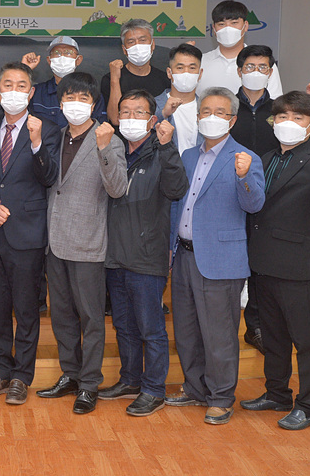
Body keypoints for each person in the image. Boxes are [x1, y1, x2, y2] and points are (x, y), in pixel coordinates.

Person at [242, 91, 310, 431]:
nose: (289, 123)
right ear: (273, 121)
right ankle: (277, 394)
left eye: (298, 118)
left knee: (306, 341)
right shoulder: (265, 158)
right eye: (283, 117)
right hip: (262, 262)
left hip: (298, 267)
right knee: (273, 337)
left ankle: (309, 405)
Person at [165, 87, 265, 426]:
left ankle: (221, 397)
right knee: (187, 330)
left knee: (219, 335)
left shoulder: (246, 158)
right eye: (206, 111)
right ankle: (195, 388)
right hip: (183, 256)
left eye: (220, 112)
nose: (212, 117)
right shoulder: (188, 156)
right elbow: (178, 203)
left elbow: (254, 204)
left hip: (221, 260)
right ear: (197, 117)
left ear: (232, 120)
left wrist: (243, 177)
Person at [36, 71, 127, 415]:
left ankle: (89, 384)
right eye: (69, 98)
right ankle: (70, 375)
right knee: (61, 316)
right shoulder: (55, 136)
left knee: (91, 318)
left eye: (83, 98)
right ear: (60, 103)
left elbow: (117, 188)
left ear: (94, 104)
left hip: (89, 243)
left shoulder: (109, 139)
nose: (75, 104)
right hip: (54, 241)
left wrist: (103, 149)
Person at [229, 44, 310, 354]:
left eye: (263, 67)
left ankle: (256, 326)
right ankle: (227, 327)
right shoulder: (228, 107)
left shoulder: (279, 110)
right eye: (250, 66)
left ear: (271, 72)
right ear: (239, 70)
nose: (256, 72)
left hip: (270, 195)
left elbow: (306, 142)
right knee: (241, 260)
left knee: (262, 264)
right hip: (235, 191)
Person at [0, 62, 61, 405]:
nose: (14, 90)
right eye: (7, 84)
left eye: (21, 85)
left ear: (31, 91)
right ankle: (0, 371)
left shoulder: (48, 129)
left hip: (27, 233)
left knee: (26, 310)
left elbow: (49, 177)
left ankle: (22, 377)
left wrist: (37, 143)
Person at [99, 90, 189, 416]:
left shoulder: (161, 151)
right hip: (114, 255)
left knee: (151, 328)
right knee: (124, 325)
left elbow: (177, 189)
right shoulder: (115, 150)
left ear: (152, 119)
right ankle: (130, 379)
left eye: (139, 112)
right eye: (125, 111)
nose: (131, 118)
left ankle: (153, 389)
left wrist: (167, 147)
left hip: (147, 256)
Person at [198, 0, 284, 97]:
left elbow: (275, 100)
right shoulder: (200, 62)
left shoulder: (263, 63)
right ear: (214, 29)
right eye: (221, 24)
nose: (228, 29)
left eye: (234, 23)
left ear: (245, 26)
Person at [23, 36, 107, 127]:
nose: (62, 57)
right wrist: (25, 70)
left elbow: (100, 128)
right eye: (57, 53)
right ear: (49, 60)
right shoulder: (36, 92)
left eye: (68, 53)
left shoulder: (91, 93)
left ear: (78, 60)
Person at [102, 19, 171, 125]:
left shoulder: (165, 79)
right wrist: (115, 80)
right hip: (121, 136)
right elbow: (115, 119)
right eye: (131, 42)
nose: (137, 46)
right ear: (124, 49)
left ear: (152, 44)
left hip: (155, 135)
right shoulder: (110, 79)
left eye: (142, 40)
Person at [155, 43, 204, 154]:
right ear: (169, 73)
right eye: (180, 68)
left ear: (200, 74)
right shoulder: (152, 105)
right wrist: (163, 114)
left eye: (192, 68)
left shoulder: (207, 109)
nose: (186, 73)